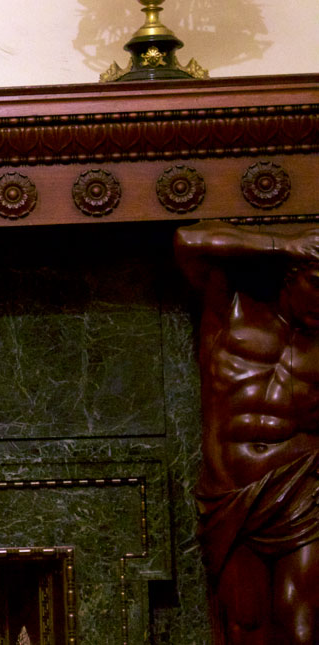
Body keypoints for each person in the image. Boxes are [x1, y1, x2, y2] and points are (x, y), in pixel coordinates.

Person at [175, 220, 319, 644]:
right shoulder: (229, 307)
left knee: (302, 626)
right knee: (246, 627)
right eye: (317, 283)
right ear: (293, 274)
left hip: (303, 494)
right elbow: (188, 240)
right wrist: (284, 244)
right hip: (231, 495)